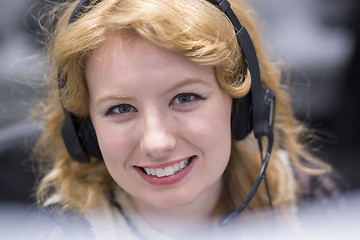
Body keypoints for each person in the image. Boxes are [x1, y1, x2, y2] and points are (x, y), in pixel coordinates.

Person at [30, 0, 346, 238]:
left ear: (242, 106)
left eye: (185, 98)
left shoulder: (310, 205)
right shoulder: (63, 230)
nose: (157, 143)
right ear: (85, 130)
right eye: (120, 109)